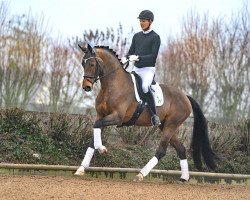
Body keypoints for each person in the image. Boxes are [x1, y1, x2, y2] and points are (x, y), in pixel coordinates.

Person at [121, 10, 161, 126]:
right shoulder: (136, 36)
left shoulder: (155, 37)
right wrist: (126, 58)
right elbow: (131, 52)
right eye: (140, 21)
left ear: (150, 22)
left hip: (148, 69)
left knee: (144, 87)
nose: (141, 23)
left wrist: (138, 57)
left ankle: (154, 115)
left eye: (143, 21)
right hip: (136, 68)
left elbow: (153, 57)